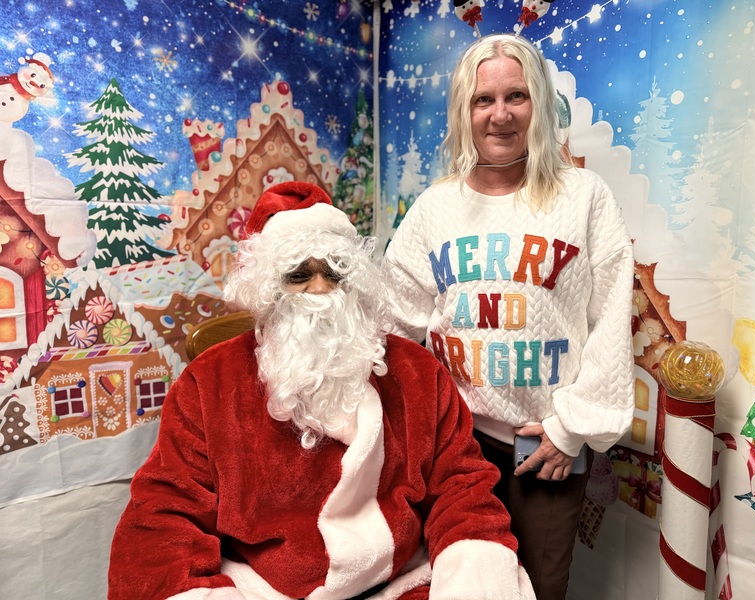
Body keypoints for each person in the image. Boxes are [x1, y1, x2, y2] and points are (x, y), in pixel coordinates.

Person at [107, 181, 535, 600]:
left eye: (335, 273)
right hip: (263, 586)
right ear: (268, 289)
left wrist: (471, 573)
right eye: (298, 275)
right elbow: (165, 513)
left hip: (397, 578)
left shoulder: (417, 372)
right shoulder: (210, 383)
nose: (319, 289)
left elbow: (462, 487)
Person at [380, 34, 635, 600]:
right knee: (455, 584)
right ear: (464, 112)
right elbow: (396, 323)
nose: (499, 115)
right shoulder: (435, 207)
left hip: (543, 452)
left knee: (541, 587)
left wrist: (571, 429)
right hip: (455, 449)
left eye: (515, 96)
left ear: (538, 103)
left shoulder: (584, 198)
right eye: (482, 100)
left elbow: (612, 320)